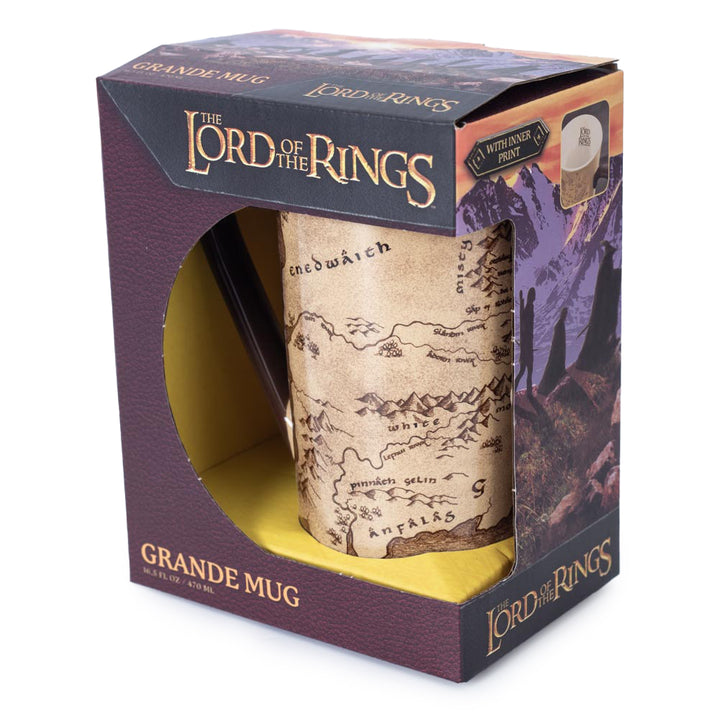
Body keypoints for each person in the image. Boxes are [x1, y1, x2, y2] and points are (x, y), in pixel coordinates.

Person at [538, 307, 568, 396]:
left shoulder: (561, 324)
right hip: (557, 350)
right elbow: (557, 339)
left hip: (559, 349)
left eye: (566, 314)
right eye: (564, 313)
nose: (565, 315)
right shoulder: (559, 324)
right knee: (554, 365)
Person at [515, 287, 535, 395]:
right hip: (526, 346)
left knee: (527, 371)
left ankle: (529, 393)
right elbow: (524, 324)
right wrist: (521, 301)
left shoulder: (530, 307)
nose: (534, 297)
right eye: (532, 295)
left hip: (528, 344)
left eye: (534, 295)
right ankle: (516, 389)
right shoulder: (528, 308)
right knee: (524, 371)